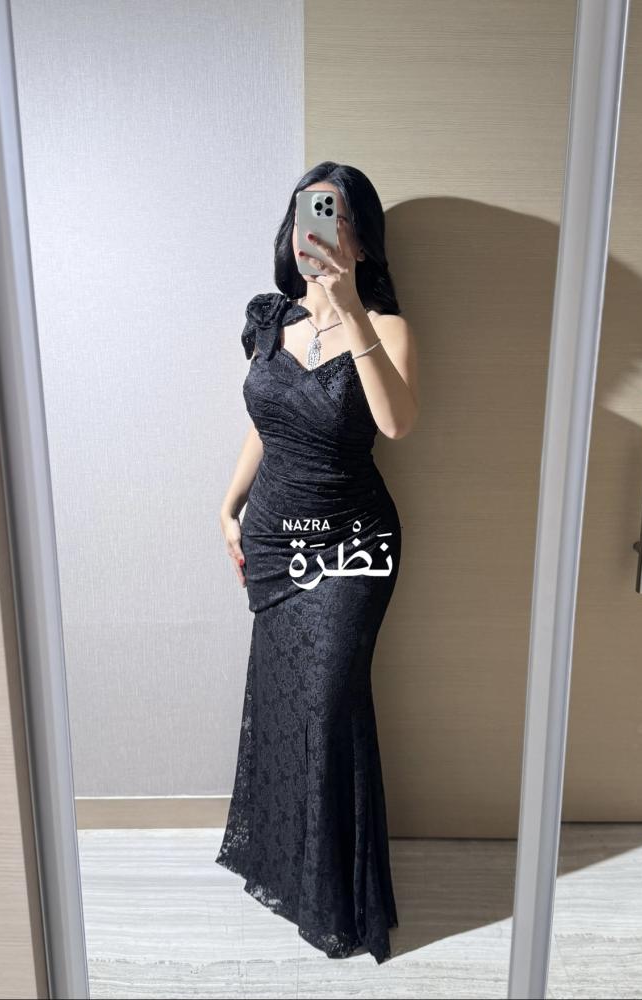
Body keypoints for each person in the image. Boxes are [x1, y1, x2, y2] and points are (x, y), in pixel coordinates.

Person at [215, 161, 418, 964]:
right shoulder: (268, 320)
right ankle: (284, 866)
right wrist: (228, 505)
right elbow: (266, 422)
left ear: (361, 240)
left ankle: (338, 895)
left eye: (340, 222)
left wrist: (349, 308)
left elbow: (397, 425)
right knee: (285, 701)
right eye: (311, 220)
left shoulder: (387, 328)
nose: (323, 237)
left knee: (330, 706)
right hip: (273, 540)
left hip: (352, 545)